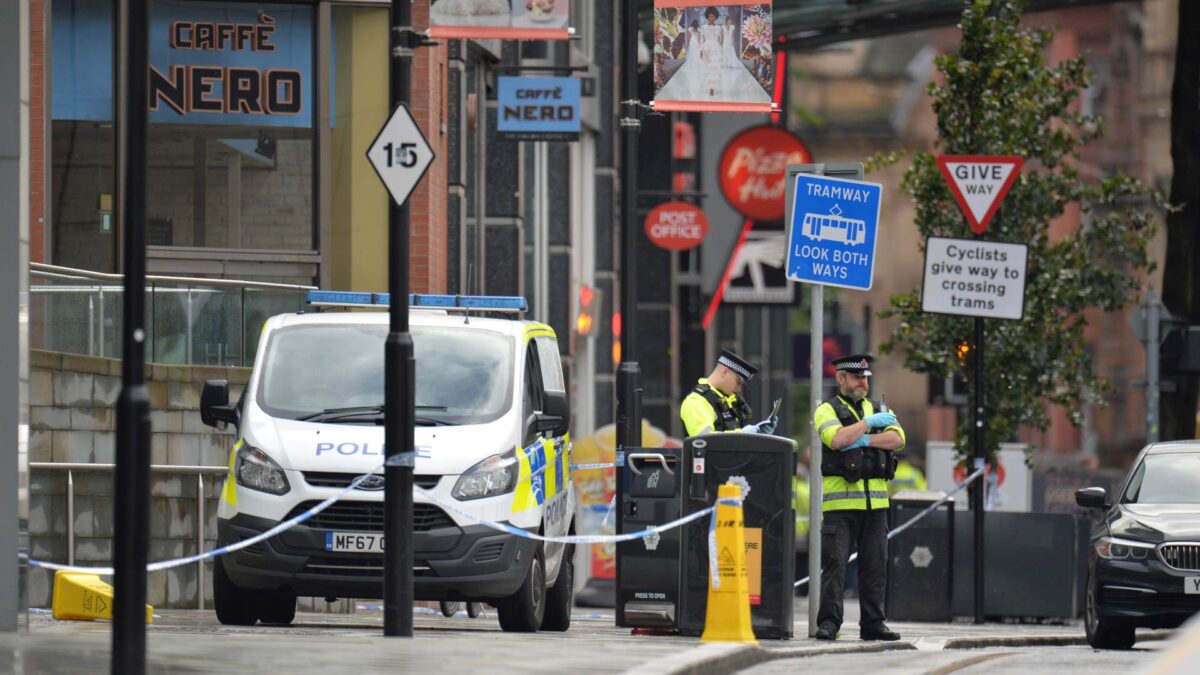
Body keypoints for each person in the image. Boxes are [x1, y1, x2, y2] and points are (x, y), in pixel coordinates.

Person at [811, 354, 905, 642]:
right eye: (856, 377)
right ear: (841, 379)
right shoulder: (826, 410)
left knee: (875, 567)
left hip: (875, 506)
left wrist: (864, 438)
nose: (863, 382)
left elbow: (898, 439)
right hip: (840, 507)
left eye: (865, 378)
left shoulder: (880, 408)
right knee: (835, 566)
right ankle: (829, 623)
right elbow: (836, 439)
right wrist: (867, 425)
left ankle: (873, 623)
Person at [680, 349, 774, 436]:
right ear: (724, 372)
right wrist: (742, 435)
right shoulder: (697, 401)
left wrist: (759, 435)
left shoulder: (729, 401)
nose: (739, 389)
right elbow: (705, 440)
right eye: (738, 382)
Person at [792, 446, 811, 596]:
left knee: (792, 563)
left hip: (792, 532)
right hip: (805, 534)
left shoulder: (791, 491)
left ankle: (794, 587)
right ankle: (803, 589)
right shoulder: (808, 492)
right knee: (803, 564)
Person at [699, 7, 723, 97]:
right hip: (706, 48)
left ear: (715, 17)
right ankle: (709, 87)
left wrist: (720, 49)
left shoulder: (718, 28)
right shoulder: (703, 27)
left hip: (715, 48)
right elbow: (702, 39)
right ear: (707, 17)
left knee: (715, 67)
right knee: (707, 68)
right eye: (709, 16)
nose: (711, 18)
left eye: (713, 16)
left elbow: (720, 40)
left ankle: (713, 88)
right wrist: (701, 51)